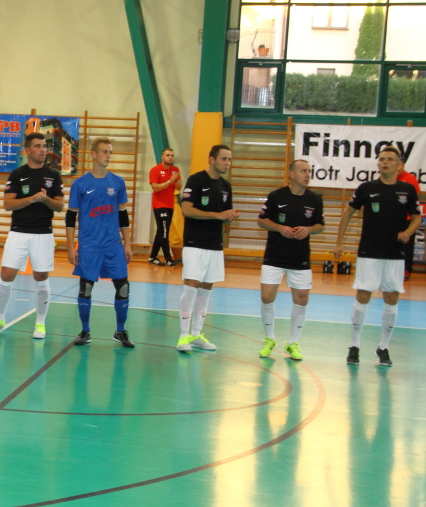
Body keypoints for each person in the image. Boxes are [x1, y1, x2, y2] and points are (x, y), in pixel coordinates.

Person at [334, 146, 420, 367]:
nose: (385, 162)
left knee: (391, 298)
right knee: (363, 296)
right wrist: (339, 242)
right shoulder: (367, 188)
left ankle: (383, 347)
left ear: (398, 165)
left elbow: (417, 218)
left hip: (395, 254)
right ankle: (354, 345)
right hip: (369, 252)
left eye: (390, 159)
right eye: (382, 159)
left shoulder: (407, 190)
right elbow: (348, 213)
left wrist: (408, 233)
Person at [0, 133, 64, 339]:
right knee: (6, 275)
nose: (42, 150)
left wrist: (44, 199)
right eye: (37, 146)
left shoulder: (53, 175)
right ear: (28, 150)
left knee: (41, 277)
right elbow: (7, 204)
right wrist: (31, 199)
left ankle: (40, 323)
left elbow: (59, 206)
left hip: (43, 233)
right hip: (18, 232)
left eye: (44, 146)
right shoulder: (17, 174)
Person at [65, 137, 134, 348]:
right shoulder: (80, 184)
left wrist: (127, 244)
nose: (108, 155)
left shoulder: (117, 182)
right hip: (89, 246)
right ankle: (85, 331)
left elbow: (123, 214)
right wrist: (71, 247)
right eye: (104, 151)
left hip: (113, 245)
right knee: (85, 288)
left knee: (123, 287)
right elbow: (70, 216)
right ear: (93, 155)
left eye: (110, 152)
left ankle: (120, 331)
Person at [255, 159, 325, 360]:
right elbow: (261, 220)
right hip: (274, 255)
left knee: (302, 299)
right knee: (267, 297)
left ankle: (293, 342)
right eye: (303, 171)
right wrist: (279, 228)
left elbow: (320, 225)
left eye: (309, 171)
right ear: (291, 174)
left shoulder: (314, 199)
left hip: (300, 257)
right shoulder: (276, 196)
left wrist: (308, 229)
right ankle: (270, 338)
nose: (308, 174)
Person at [176, 144, 238, 352]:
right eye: (224, 159)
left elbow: (223, 215)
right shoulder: (196, 180)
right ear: (212, 159)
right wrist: (218, 215)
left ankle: (196, 334)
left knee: (205, 289)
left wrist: (228, 216)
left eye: (229, 159)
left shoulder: (226, 186)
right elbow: (187, 209)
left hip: (215, 244)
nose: (227, 163)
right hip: (195, 243)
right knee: (191, 285)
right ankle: (183, 336)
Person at [148, 147, 181, 266]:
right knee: (164, 232)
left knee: (161, 231)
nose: (170, 157)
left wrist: (175, 180)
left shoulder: (175, 170)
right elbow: (155, 188)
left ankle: (152, 257)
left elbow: (179, 187)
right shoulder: (155, 170)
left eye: (172, 155)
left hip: (170, 205)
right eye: (168, 155)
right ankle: (168, 258)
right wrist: (169, 181)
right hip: (159, 205)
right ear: (162, 157)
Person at [396, 159, 420, 280]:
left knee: (407, 245)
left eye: (399, 164)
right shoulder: (389, 178)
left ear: (403, 165)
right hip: (393, 218)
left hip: (408, 218)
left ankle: (406, 270)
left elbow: (415, 198)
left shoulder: (410, 178)